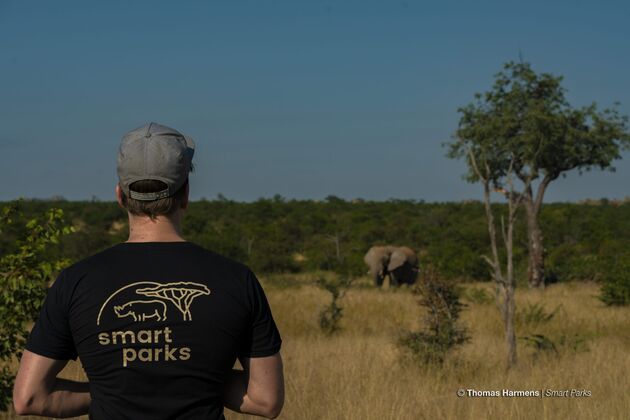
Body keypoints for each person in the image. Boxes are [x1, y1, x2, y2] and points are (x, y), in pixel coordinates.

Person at [12, 122, 284, 419]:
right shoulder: (237, 279)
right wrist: (195, 380)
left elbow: (30, 398)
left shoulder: (75, 281)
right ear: (186, 194)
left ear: (119, 195)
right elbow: (265, 400)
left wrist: (112, 388)